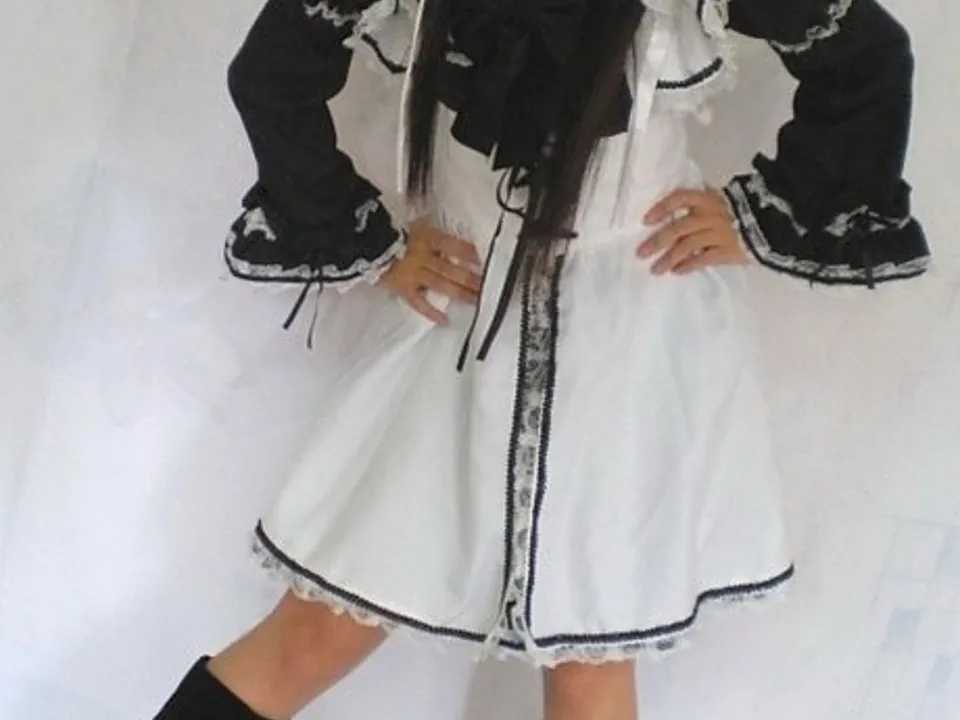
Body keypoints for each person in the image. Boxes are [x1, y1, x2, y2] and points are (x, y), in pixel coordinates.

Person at [153, 0, 930, 718]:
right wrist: (367, 238)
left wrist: (759, 212)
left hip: (628, 342)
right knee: (314, 633)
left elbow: (867, 59)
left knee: (590, 662)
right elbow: (272, 75)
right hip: (458, 320)